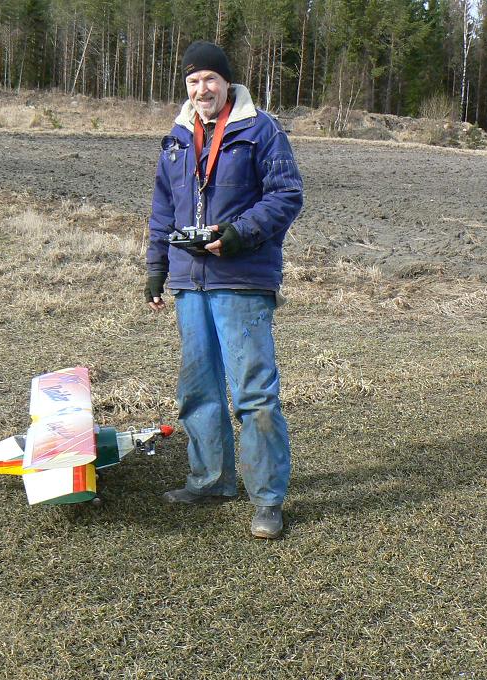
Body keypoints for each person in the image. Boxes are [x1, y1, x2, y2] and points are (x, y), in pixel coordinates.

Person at [145, 40, 304, 539]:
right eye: (193, 82)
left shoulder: (262, 131)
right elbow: (163, 210)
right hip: (189, 282)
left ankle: (267, 499)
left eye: (209, 79)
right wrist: (156, 268)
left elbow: (287, 195)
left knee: (254, 394)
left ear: (227, 82)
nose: (201, 89)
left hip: (242, 279)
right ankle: (211, 479)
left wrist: (237, 234)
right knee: (199, 389)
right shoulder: (175, 138)